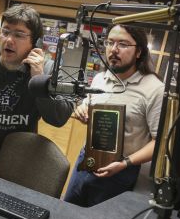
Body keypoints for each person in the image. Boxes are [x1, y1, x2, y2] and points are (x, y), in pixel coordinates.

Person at [0, 4, 73, 174]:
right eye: (5, 31)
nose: (9, 40)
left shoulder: (48, 72)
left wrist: (39, 79)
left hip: (20, 160)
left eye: (18, 34)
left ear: (35, 42)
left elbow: (59, 118)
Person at [64, 24, 164, 207]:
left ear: (139, 52)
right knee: (67, 212)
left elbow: (160, 142)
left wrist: (125, 164)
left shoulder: (155, 89)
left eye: (123, 44)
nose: (114, 49)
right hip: (87, 158)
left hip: (120, 170)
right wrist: (82, 108)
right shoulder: (100, 78)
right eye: (110, 42)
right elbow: (88, 104)